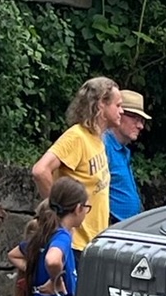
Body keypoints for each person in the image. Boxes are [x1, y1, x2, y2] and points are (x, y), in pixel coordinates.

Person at [32, 77, 119, 262]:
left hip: (93, 244)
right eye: (117, 105)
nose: (122, 110)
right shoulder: (76, 136)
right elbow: (40, 170)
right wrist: (58, 212)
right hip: (74, 244)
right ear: (101, 105)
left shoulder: (98, 140)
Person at [11, 178, 89, 296]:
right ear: (78, 208)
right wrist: (56, 280)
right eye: (86, 208)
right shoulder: (62, 236)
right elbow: (52, 260)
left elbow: (14, 255)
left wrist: (33, 269)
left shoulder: (45, 232)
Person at [105, 89, 149, 223]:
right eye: (134, 118)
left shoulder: (124, 149)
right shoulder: (103, 145)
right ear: (119, 114)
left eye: (141, 120)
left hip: (127, 227)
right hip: (110, 228)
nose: (140, 126)